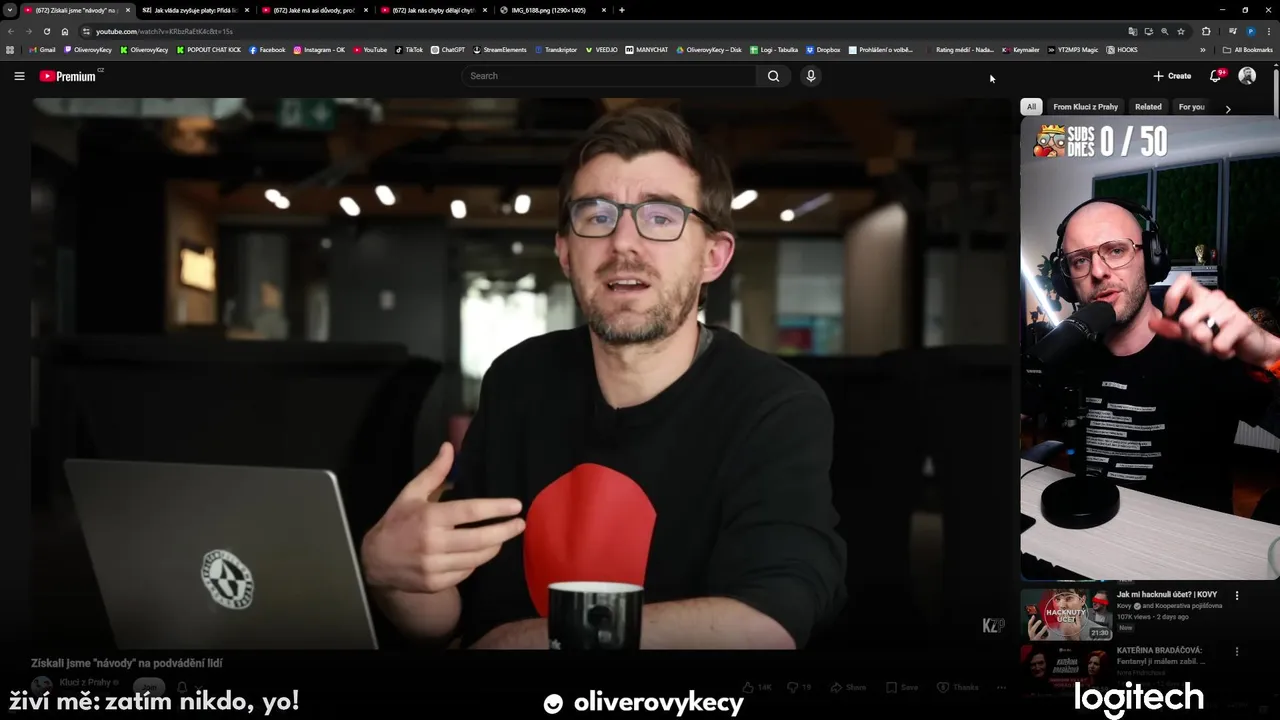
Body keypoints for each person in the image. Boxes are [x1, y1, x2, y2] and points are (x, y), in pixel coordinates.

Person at [359, 106, 848, 650]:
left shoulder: (773, 404)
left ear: (713, 256)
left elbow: (767, 624)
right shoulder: (519, 380)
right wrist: (390, 574)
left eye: (660, 217)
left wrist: (522, 644)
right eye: (597, 215)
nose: (623, 243)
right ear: (566, 253)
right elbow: (448, 620)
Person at [1053, 198, 1280, 512]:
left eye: (1116, 250)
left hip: (1185, 538)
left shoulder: (1207, 345)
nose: (1098, 271)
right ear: (1066, 280)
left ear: (1150, 258)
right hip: (1095, 528)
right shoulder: (1068, 353)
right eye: (1080, 260)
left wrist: (1270, 352)